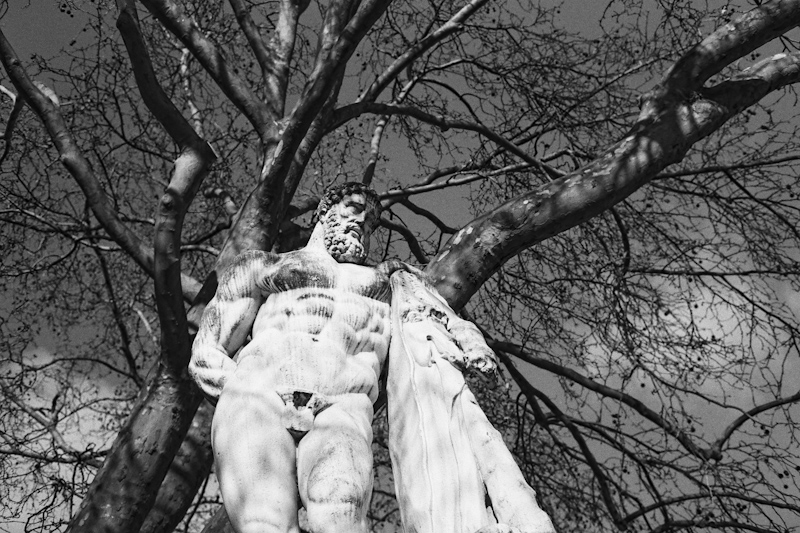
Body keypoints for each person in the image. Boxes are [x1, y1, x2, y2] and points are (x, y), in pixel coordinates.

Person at [190, 182, 409, 533]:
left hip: (345, 404)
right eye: (354, 209)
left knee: (342, 512)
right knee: (265, 523)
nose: (361, 223)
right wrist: (244, 390)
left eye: (370, 223)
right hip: (259, 394)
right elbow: (206, 351)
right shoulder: (264, 265)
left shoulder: (390, 284)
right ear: (323, 211)